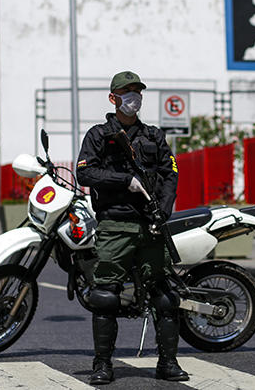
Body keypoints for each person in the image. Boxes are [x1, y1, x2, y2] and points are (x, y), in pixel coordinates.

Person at [75, 71, 188, 385]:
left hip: (151, 224)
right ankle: (102, 365)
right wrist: (125, 180)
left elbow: (170, 173)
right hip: (116, 223)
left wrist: (164, 209)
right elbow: (85, 173)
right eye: (127, 91)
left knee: (165, 296)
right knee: (105, 295)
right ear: (113, 98)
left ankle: (167, 363)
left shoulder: (153, 135)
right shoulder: (100, 135)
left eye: (137, 91)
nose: (133, 97)